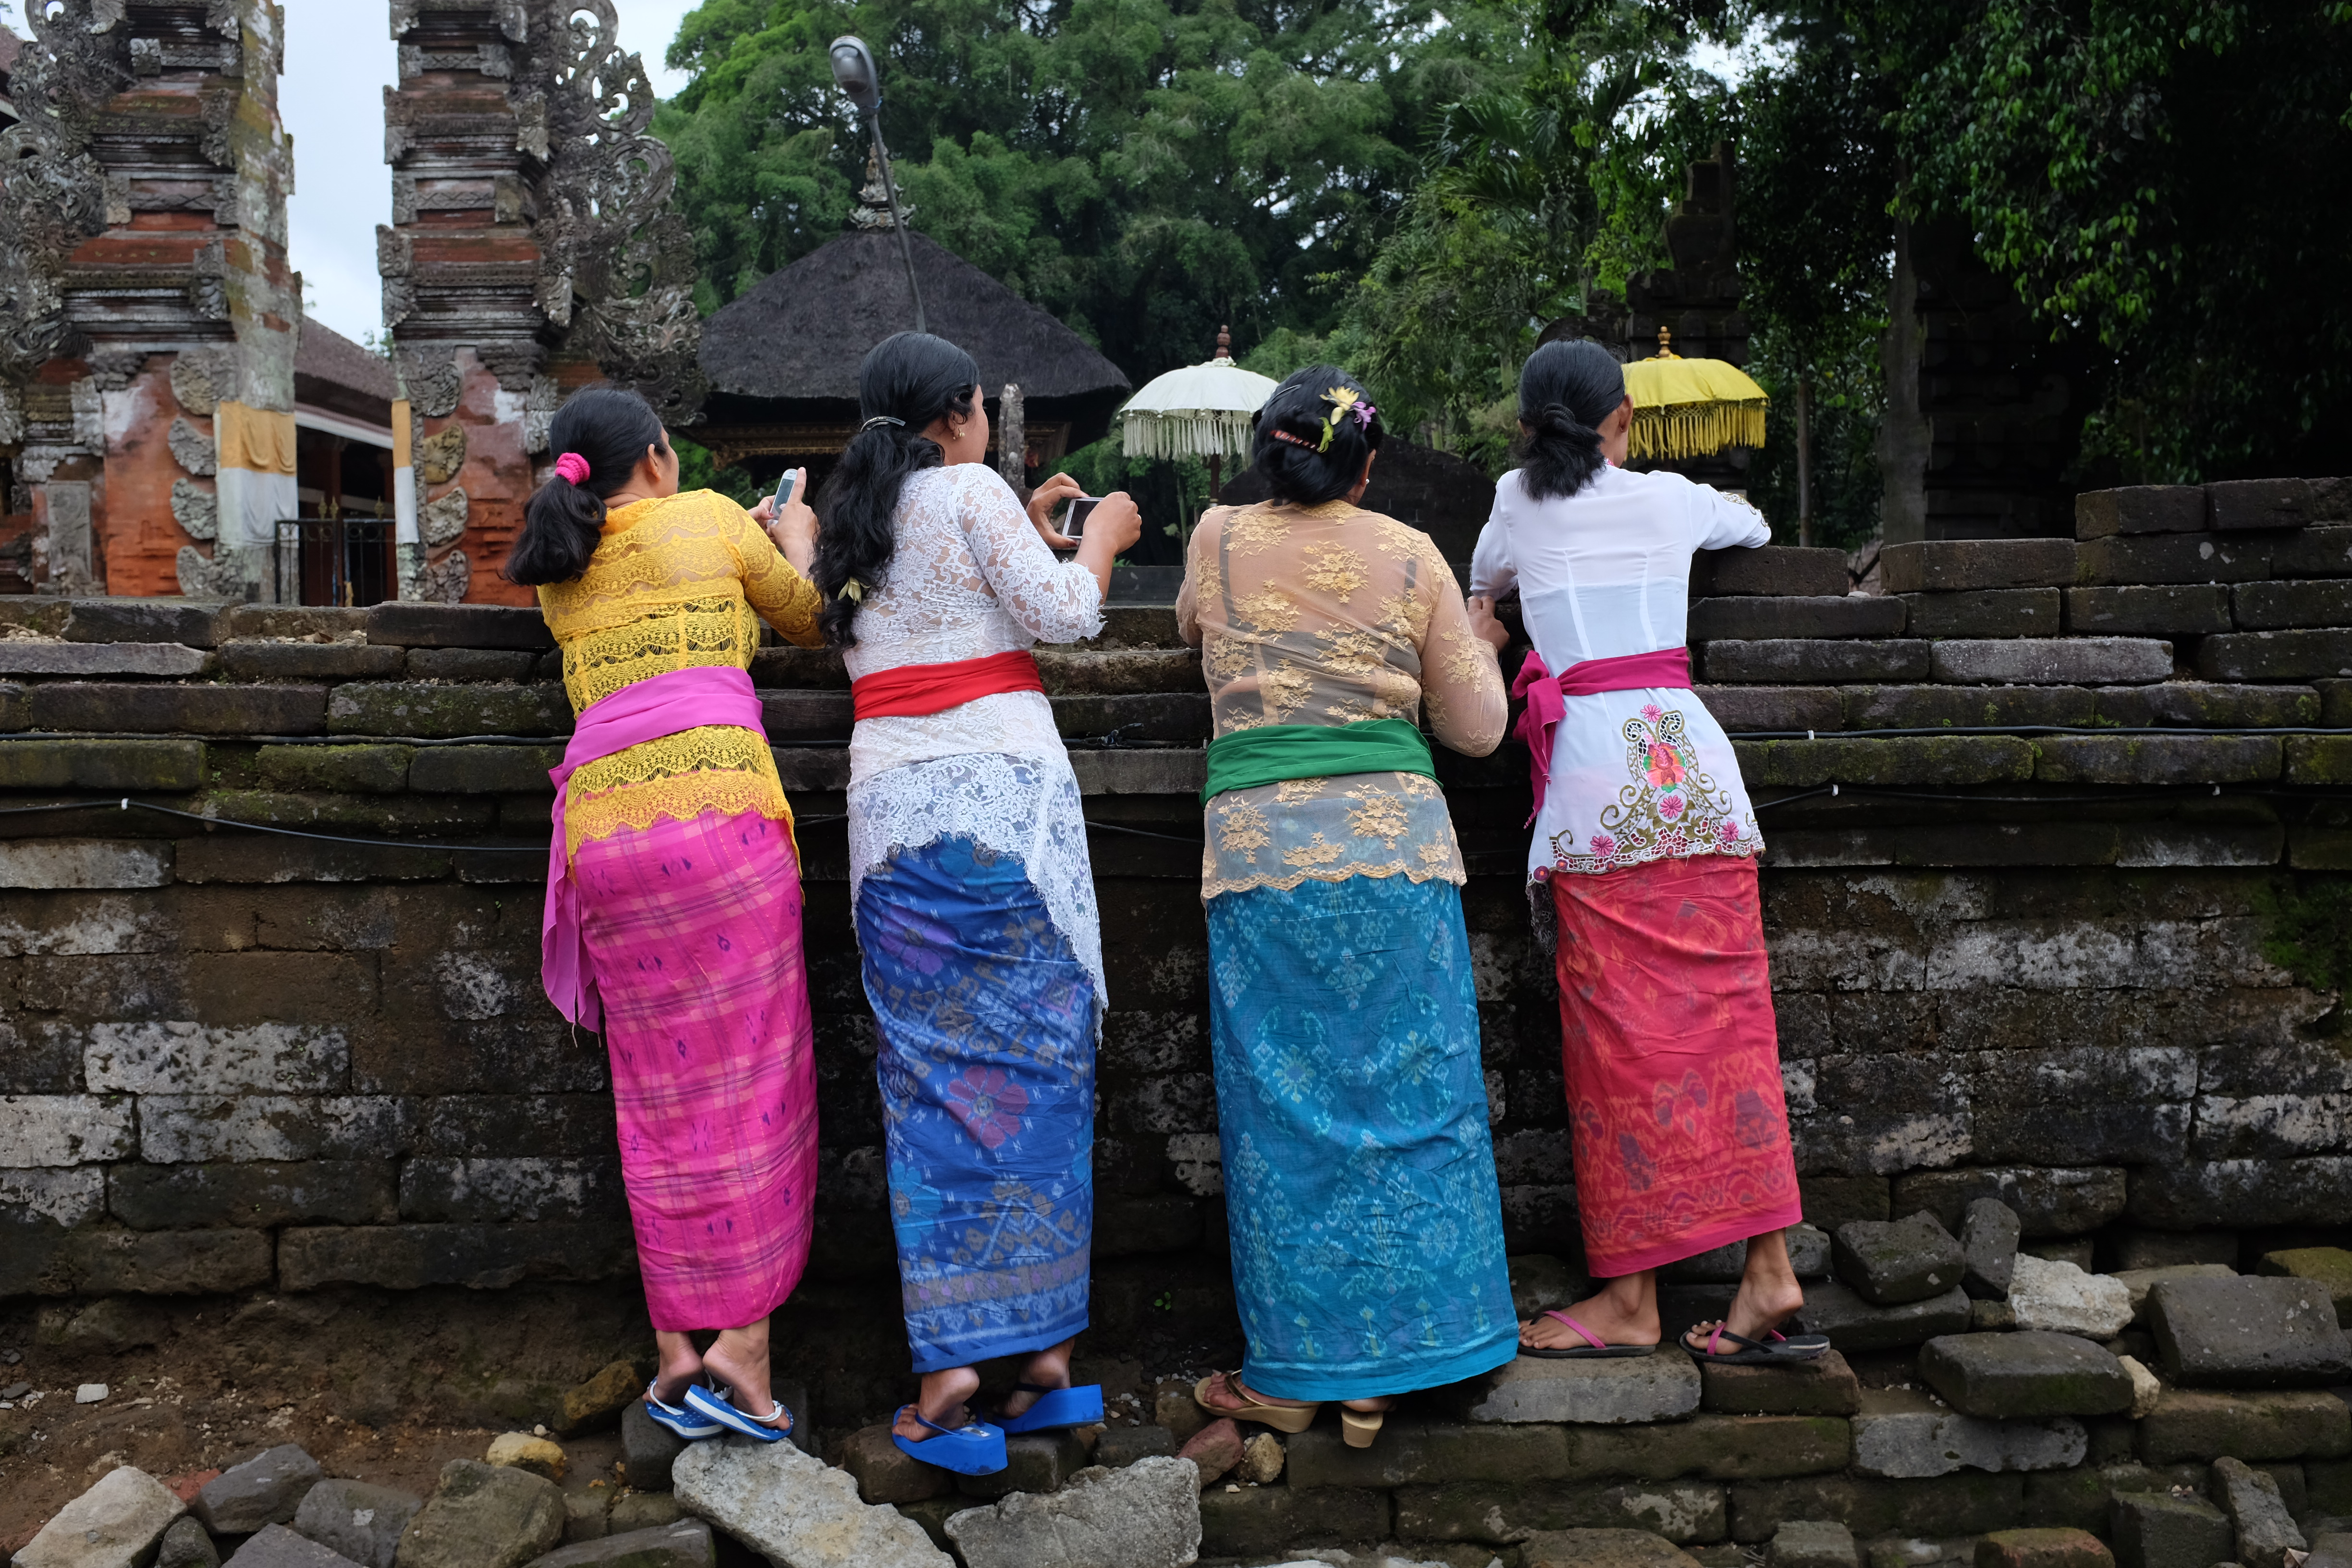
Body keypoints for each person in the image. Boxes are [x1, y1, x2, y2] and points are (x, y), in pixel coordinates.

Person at [818, 331, 1144, 1476]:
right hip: (1007, 816)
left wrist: (1031, 522)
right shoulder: (969, 490)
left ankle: (952, 1371)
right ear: (963, 412)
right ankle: (1045, 1358)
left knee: (930, 1087)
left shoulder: (848, 518)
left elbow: (926, 615)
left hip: (895, 828)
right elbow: (1061, 616)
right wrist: (1098, 538)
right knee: (1046, 1070)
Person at [1178, 366, 1519, 1448]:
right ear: (1366, 467)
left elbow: (1193, 631)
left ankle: (1300, 1370)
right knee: (1417, 1102)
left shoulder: (1217, 537)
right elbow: (1478, 732)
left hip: (1262, 853)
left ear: (1267, 454)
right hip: (1396, 853)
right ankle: (1407, 1357)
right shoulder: (1412, 553)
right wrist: (1484, 642)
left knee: (1284, 1115)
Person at [1468, 339, 1822, 1365]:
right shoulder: (1673, 500)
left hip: (1595, 793)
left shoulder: (1517, 501)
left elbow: (1483, 583)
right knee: (1732, 1030)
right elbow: (1750, 522)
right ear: (1622, 418)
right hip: (1695, 779)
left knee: (1623, 1049)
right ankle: (1768, 1273)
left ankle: (1632, 1296)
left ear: (1532, 428)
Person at [512, 385, 828, 1444]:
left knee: (656, 1096)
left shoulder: (560, 566)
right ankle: (743, 1350)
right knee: (751, 1076)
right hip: (716, 826)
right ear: (656, 457)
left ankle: (675, 1350)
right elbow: (811, 619)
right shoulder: (710, 523)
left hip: (606, 840)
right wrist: (793, 535)